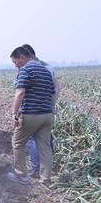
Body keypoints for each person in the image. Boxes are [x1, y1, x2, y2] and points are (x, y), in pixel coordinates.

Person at [8, 46, 55, 185]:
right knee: (45, 147)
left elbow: (20, 93)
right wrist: (51, 111)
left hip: (31, 114)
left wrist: (14, 113)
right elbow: (52, 94)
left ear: (22, 57)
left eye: (15, 62)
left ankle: (20, 175)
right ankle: (45, 179)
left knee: (17, 142)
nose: (16, 65)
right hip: (47, 115)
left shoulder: (25, 70)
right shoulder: (46, 71)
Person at [22, 44, 60, 179]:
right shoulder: (48, 68)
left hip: (33, 110)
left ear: (29, 56)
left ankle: (35, 169)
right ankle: (47, 170)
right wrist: (51, 104)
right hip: (47, 109)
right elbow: (56, 87)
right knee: (46, 137)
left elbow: (22, 92)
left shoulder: (28, 69)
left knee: (32, 139)